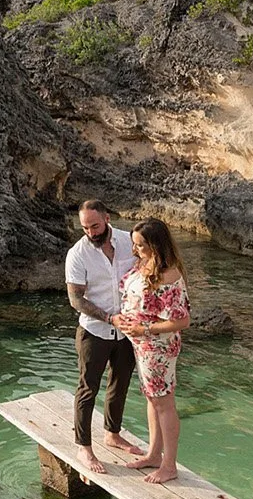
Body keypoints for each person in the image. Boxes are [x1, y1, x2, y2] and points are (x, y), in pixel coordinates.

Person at [64, 199, 145, 474]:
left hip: (127, 330)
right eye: (85, 228)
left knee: (120, 383)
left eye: (95, 226)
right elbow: (75, 299)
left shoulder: (128, 241)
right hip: (93, 331)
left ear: (107, 218)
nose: (90, 232)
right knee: (88, 388)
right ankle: (83, 447)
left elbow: (146, 272)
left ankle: (112, 433)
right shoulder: (77, 254)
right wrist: (110, 318)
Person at [113, 218, 192, 484]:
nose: (136, 250)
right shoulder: (145, 264)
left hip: (158, 347)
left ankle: (169, 465)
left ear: (156, 244)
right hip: (142, 345)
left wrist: (144, 329)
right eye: (134, 245)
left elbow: (182, 320)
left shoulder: (169, 274)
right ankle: (153, 454)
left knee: (164, 403)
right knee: (152, 400)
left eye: (141, 245)